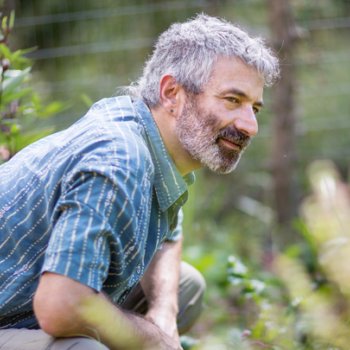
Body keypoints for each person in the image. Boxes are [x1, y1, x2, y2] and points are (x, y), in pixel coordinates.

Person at [0, 13, 279, 350]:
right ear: (172, 93)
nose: (249, 125)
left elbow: (168, 236)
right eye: (232, 100)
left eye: (255, 108)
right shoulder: (119, 158)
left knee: (184, 287)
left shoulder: (153, 137)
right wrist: (152, 339)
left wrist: (162, 312)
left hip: (29, 307)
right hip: (24, 312)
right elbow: (60, 304)